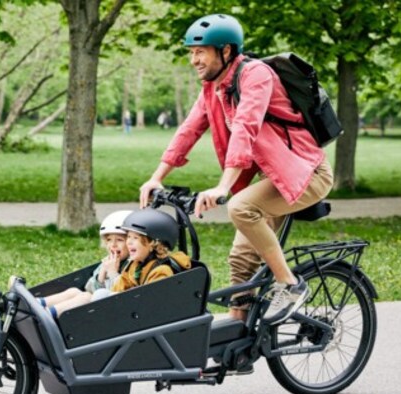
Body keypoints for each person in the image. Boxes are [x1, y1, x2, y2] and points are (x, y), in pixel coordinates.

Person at [138, 14, 334, 325]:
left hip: (307, 173)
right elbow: (188, 131)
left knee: (241, 208)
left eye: (200, 51)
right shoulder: (212, 88)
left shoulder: (256, 75)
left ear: (226, 51)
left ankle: (291, 285)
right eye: (191, 52)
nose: (194, 60)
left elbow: (246, 128)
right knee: (241, 260)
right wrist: (156, 177)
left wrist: (223, 186)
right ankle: (236, 341)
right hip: (273, 178)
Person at [39, 210, 132, 318]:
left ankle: (46, 315)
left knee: (86, 297)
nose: (113, 245)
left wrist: (112, 273)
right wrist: (101, 274)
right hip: (97, 304)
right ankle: (38, 303)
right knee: (74, 291)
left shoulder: (130, 265)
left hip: (110, 313)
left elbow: (119, 294)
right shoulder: (108, 262)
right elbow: (89, 288)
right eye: (109, 240)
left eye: (120, 240)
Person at [111, 209, 191, 293]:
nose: (129, 242)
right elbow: (118, 289)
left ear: (155, 244)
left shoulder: (161, 271)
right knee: (101, 293)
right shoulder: (135, 265)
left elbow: (152, 301)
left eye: (135, 238)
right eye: (129, 236)